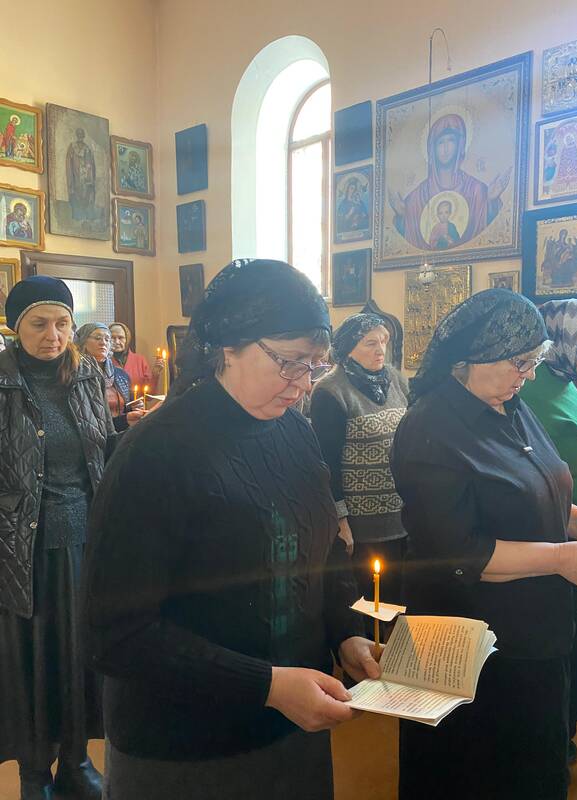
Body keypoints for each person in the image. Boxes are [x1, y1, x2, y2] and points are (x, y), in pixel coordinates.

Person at [81, 258, 380, 800]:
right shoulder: (156, 452)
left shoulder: (294, 431)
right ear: (228, 347)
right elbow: (116, 634)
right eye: (289, 363)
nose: (303, 385)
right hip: (188, 748)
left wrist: (345, 633)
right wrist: (267, 685)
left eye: (314, 366)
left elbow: (322, 549)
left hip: (294, 722)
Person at [390, 288, 577, 800]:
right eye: (518, 362)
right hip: (471, 644)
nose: (528, 375)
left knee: (538, 766)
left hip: (535, 631)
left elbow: (534, 488)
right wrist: (562, 557)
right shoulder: (429, 427)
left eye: (534, 361)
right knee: (481, 775)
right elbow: (461, 552)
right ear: (471, 357)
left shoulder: (512, 405)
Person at [0, 276, 117, 800]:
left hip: (83, 541)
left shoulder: (86, 374)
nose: (53, 335)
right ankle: (33, 773)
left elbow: (101, 450)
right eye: (39, 324)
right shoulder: (3, 381)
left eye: (63, 324)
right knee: (31, 661)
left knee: (78, 657)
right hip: (19, 547)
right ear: (14, 328)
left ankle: (74, 760)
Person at [520, 298, 577, 764]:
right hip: (560, 534)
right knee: (568, 644)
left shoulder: (570, 380)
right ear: (566, 340)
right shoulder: (535, 391)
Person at [311, 313, 408, 605]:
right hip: (361, 527)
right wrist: (341, 522)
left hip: (402, 518)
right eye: (370, 343)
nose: (381, 350)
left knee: (399, 604)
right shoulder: (330, 390)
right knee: (371, 606)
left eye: (384, 341)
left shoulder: (395, 379)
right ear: (348, 347)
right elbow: (326, 464)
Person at [387, 113, 511, 251]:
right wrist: (402, 216)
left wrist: (491, 201)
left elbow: (488, 228)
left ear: (460, 145)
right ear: (432, 148)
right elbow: (407, 236)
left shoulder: (476, 190)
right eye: (440, 142)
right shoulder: (416, 198)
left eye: (451, 141)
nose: (445, 148)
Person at [75, 322, 142, 432]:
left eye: (107, 339)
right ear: (83, 341)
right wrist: (124, 420)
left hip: (121, 433)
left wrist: (133, 408)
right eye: (98, 338)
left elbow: (125, 408)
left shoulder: (120, 375)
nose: (103, 342)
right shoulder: (75, 374)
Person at [109, 321, 162, 391]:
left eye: (120, 338)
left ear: (127, 339)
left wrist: (155, 374)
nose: (117, 342)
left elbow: (149, 392)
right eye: (112, 338)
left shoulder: (140, 360)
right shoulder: (104, 361)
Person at [66, 128, 96, 221]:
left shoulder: (87, 148)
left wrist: (90, 176)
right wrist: (71, 175)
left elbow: (91, 164)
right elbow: (69, 161)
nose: (80, 135)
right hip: (75, 175)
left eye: (81, 134)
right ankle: (77, 215)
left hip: (85, 177)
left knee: (86, 194)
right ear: (76, 135)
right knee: (75, 194)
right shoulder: (72, 146)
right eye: (78, 134)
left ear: (83, 135)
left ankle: (85, 216)